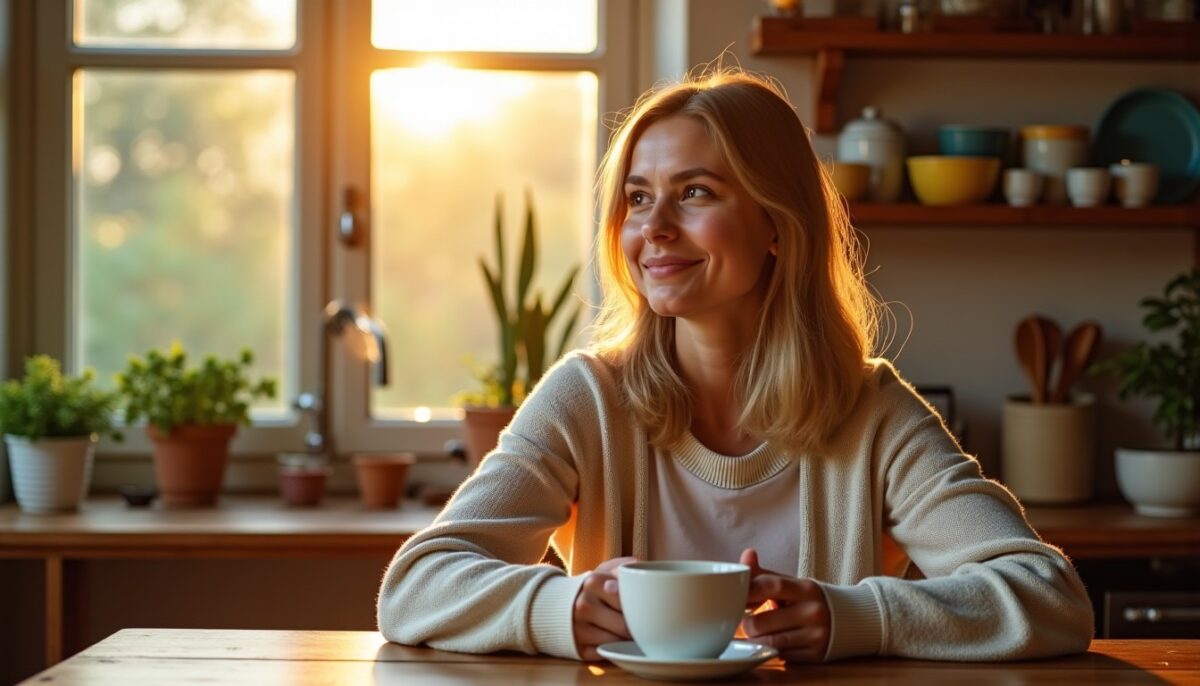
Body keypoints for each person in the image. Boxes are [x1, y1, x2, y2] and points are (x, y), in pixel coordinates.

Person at [377, 67, 1094, 664]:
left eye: (694, 193)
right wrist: (565, 607)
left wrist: (853, 617)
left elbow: (1051, 596)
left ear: (776, 225)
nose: (652, 229)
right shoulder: (587, 398)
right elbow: (413, 586)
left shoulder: (870, 411)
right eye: (637, 198)